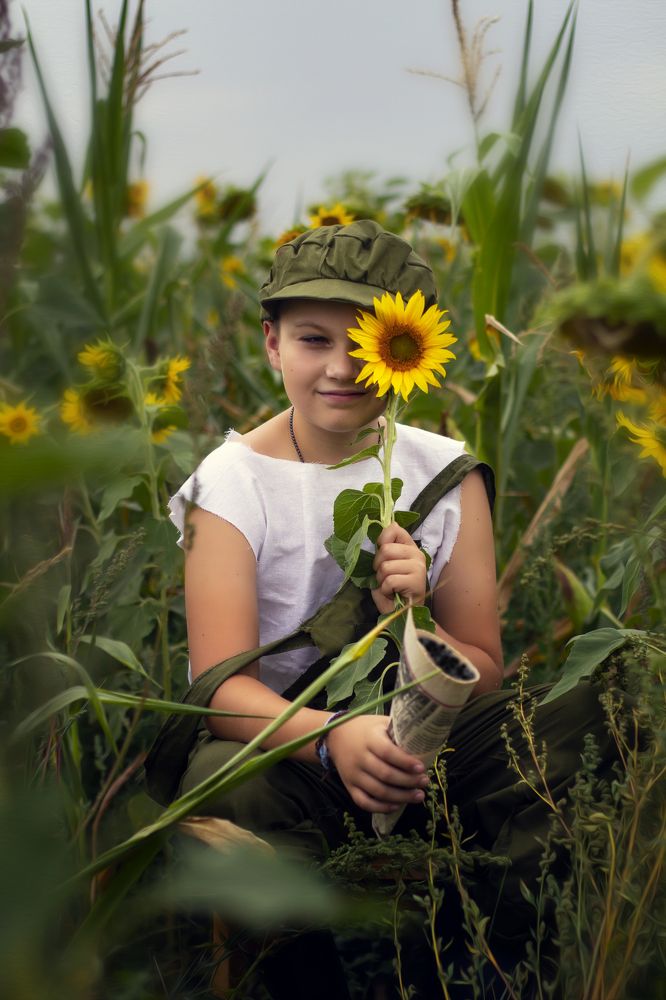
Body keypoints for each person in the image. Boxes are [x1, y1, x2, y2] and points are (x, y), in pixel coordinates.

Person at [153, 220, 619, 998]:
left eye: (368, 341)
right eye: (312, 340)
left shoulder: (443, 472)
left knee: (579, 713)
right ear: (271, 345)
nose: (342, 367)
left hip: (423, 750)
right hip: (291, 751)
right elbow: (220, 690)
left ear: (403, 352)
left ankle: (485, 956)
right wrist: (337, 741)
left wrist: (416, 617)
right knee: (228, 784)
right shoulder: (227, 484)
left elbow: (486, 669)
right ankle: (308, 977)